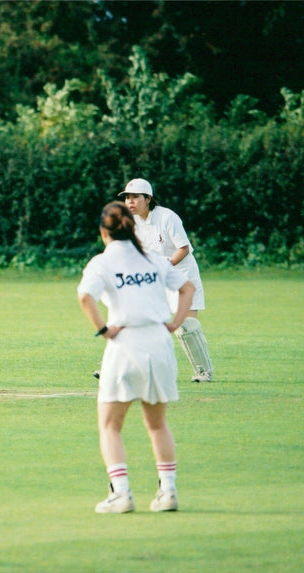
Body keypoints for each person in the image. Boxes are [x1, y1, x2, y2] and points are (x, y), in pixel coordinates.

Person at [78, 201, 195, 514]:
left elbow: (84, 296)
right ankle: (168, 492)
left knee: (110, 425)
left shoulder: (101, 262)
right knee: (157, 425)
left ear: (104, 230)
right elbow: (187, 288)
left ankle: (122, 494)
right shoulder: (154, 259)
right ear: (131, 226)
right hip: (159, 342)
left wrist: (103, 330)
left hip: (125, 344)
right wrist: (174, 323)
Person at [119, 178, 214, 382]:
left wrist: (166, 267)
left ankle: (203, 372)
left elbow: (184, 248)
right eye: (127, 197)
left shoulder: (167, 217)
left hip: (182, 275)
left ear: (148, 198)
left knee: (187, 326)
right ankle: (123, 367)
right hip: (156, 277)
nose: (130, 202)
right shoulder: (132, 222)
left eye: (135, 197)